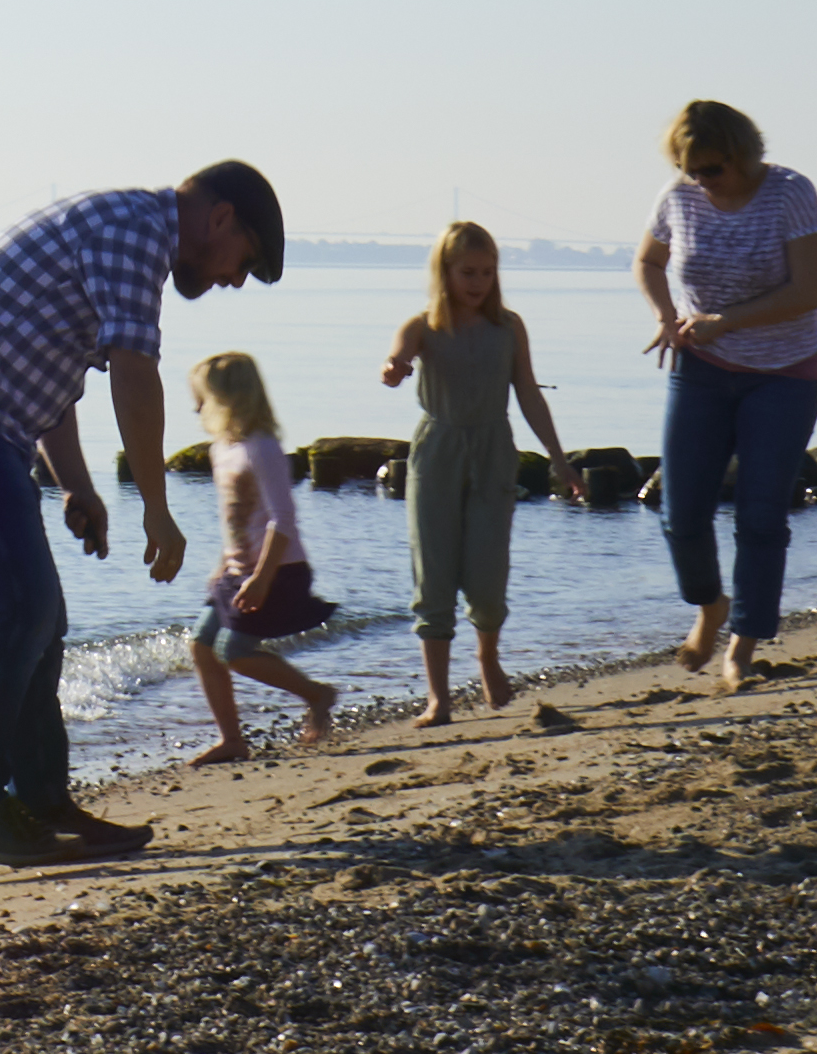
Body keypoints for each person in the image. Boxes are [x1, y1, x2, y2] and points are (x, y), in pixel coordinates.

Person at [0, 161, 287, 862]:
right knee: (16, 610)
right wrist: (156, 506)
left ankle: (41, 803)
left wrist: (75, 486)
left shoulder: (126, 230)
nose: (232, 280)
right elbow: (134, 372)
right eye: (244, 261)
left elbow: (51, 377)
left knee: (39, 616)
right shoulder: (134, 231)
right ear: (220, 219)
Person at [631, 98, 817, 691]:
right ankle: (710, 605)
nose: (701, 180)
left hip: (785, 373)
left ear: (742, 156)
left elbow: (810, 291)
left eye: (712, 169)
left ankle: (741, 647)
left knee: (761, 515)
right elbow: (648, 261)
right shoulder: (679, 199)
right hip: (700, 367)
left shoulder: (791, 193)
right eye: (690, 169)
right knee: (681, 512)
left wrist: (728, 320)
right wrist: (667, 315)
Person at [377, 219, 564, 721]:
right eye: (468, 272)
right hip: (437, 450)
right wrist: (394, 370)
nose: (478, 282)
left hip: (493, 449)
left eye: (487, 271)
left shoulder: (509, 327)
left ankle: (487, 657)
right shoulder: (423, 326)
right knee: (433, 575)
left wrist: (559, 457)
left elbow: (527, 392)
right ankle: (438, 697)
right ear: (445, 272)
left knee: (487, 572)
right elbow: (395, 360)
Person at [182, 345, 344, 759]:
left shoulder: (262, 446)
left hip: (278, 571)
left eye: (203, 397)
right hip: (237, 573)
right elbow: (236, 521)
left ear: (228, 398)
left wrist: (261, 577)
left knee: (233, 652)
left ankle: (318, 694)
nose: (196, 406)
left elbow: (282, 521)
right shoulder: (223, 448)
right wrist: (222, 567)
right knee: (201, 646)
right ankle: (232, 740)